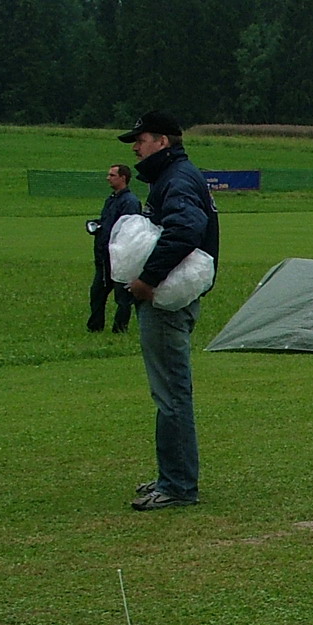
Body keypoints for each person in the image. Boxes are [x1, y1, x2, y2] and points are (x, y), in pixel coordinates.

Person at [116, 110, 220, 511]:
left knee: (171, 393)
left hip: (167, 300)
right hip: (174, 295)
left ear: (162, 141)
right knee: (171, 391)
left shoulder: (176, 179)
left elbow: (185, 228)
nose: (136, 149)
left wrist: (148, 280)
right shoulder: (178, 175)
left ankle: (177, 485)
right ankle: (172, 475)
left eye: (140, 140)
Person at [87, 164, 140, 332]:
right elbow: (108, 222)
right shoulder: (111, 199)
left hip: (119, 256)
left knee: (122, 297)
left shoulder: (130, 202)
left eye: (112, 175)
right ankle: (95, 327)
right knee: (97, 293)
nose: (108, 178)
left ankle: (119, 329)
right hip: (104, 255)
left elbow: (130, 229)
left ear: (123, 178)